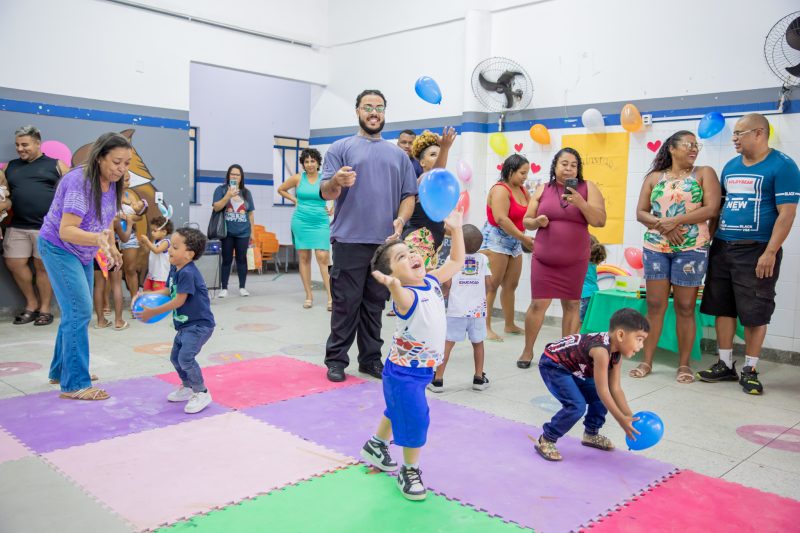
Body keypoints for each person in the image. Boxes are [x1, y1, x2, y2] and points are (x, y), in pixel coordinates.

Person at [359, 209, 464, 500]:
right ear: (393, 275)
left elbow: (456, 261)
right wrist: (394, 286)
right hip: (403, 373)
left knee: (398, 409)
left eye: (410, 251)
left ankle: (376, 445)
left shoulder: (431, 281)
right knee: (416, 418)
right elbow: (402, 297)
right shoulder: (406, 296)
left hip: (422, 369)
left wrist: (456, 230)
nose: (412, 256)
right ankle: (409, 470)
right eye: (401, 258)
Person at [698, 113, 800, 395]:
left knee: (755, 312)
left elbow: (787, 214)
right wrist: (709, 239)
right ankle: (725, 364)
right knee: (722, 308)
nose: (734, 138)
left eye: (739, 133)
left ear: (759, 133)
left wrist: (770, 251)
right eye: (733, 133)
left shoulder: (783, 166)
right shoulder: (730, 166)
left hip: (757, 249)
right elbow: (720, 208)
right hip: (722, 247)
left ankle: (750, 370)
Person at [320, 89, 418, 382]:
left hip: (384, 245)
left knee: (374, 306)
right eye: (367, 107)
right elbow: (326, 192)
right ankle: (336, 360)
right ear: (357, 111)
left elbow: (408, 196)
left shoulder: (398, 155)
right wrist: (337, 181)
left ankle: (370, 360)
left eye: (379, 107)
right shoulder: (340, 148)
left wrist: (401, 220)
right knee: (345, 304)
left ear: (384, 112)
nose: (374, 112)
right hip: (348, 240)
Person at [37, 132, 129, 401]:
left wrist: (112, 247)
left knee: (73, 311)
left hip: (83, 252)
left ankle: (61, 370)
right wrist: (98, 240)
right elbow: (66, 230)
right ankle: (75, 383)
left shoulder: (112, 182)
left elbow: (106, 220)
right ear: (100, 158)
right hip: (59, 247)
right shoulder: (79, 182)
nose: (121, 169)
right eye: (116, 162)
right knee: (79, 311)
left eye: (126, 164)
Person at [634, 131, 720, 383]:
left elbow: (711, 209)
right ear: (672, 148)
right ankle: (646, 360)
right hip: (656, 247)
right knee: (655, 306)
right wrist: (664, 227)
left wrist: (675, 221)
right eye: (688, 144)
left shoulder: (704, 173)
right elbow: (641, 213)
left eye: (696, 145)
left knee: (685, 307)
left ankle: (683, 364)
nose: (694, 149)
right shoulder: (654, 177)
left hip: (691, 248)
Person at [517, 148, 607, 368]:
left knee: (572, 305)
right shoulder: (543, 189)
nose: (568, 168)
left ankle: (565, 354)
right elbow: (527, 221)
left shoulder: (588, 188)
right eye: (564, 164)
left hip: (575, 260)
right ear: (555, 166)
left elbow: (600, 221)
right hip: (544, 259)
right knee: (538, 304)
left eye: (573, 165)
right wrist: (536, 222)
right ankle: (527, 351)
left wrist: (581, 203)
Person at [534, 308, 649, 462]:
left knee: (599, 398)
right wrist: (621, 419)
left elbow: (615, 388)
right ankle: (546, 439)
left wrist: (629, 417)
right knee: (577, 406)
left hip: (574, 368)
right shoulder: (601, 351)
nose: (641, 345)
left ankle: (591, 434)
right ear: (621, 335)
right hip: (553, 364)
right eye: (639, 339)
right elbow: (603, 391)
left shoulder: (616, 354)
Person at [134, 227, 216, 414]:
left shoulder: (188, 273)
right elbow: (168, 290)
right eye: (170, 245)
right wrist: (148, 294)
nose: (169, 250)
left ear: (189, 254)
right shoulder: (175, 268)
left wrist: (153, 312)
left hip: (199, 325)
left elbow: (179, 300)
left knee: (186, 358)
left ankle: (201, 392)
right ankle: (187, 387)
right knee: (175, 357)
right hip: (185, 325)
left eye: (175, 247)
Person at [2, 125, 69, 326]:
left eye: (25, 144)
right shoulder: (10, 167)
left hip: (47, 227)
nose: (20, 149)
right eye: (17, 145)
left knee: (43, 267)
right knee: (14, 263)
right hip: (18, 225)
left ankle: (45, 309)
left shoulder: (56, 165)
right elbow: (5, 194)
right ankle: (31, 304)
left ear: (38, 143)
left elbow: (72, 191)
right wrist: (5, 203)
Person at [428, 224, 491, 393]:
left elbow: (447, 283)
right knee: (478, 343)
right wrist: (480, 295)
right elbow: (489, 284)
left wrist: (444, 293)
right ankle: (479, 378)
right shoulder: (483, 259)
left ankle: (438, 380)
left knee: (448, 343)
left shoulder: (452, 259)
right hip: (477, 310)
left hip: (456, 310)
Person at [480, 154, 533, 342]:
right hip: (496, 238)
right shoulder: (500, 190)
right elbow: (501, 219)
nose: (525, 177)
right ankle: (484, 327)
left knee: (511, 285)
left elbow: (531, 213)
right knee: (491, 285)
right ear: (510, 171)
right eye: (522, 173)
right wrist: (523, 238)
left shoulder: (523, 190)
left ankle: (509, 324)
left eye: (527, 173)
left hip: (515, 239)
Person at [278, 148, 333, 310]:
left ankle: (331, 297)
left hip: (320, 221)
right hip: (301, 221)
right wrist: (294, 199)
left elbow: (338, 193)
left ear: (318, 163)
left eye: (312, 161)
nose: (309, 164)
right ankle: (309, 295)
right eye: (306, 161)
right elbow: (281, 189)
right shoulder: (297, 178)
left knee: (323, 256)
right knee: (304, 257)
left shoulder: (325, 178)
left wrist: (333, 207)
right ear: (303, 163)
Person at [402, 128, 457, 268]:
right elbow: (436, 171)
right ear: (422, 163)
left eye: (439, 154)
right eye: (433, 155)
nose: (438, 157)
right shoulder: (424, 179)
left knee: (425, 280)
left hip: (432, 240)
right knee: (416, 279)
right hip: (419, 238)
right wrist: (445, 148)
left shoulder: (441, 185)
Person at [212, 164, 255, 298]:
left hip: (243, 232)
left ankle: (242, 287)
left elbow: (250, 213)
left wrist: (252, 232)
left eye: (237, 174)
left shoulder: (246, 193)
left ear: (241, 177)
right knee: (226, 260)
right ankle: (224, 288)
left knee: (242, 260)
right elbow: (216, 207)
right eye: (232, 174)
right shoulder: (220, 189)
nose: (234, 177)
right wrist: (228, 196)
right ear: (228, 175)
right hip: (227, 232)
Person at [92, 212, 134, 330]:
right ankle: (119, 321)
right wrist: (129, 224)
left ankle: (100, 321)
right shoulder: (114, 219)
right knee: (116, 285)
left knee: (98, 286)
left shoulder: (93, 216)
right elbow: (125, 238)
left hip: (97, 251)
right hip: (113, 251)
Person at [119, 173, 148, 303]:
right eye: (126, 180)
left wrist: (128, 217)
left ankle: (134, 301)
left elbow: (139, 216)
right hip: (111, 235)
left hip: (129, 234)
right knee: (110, 271)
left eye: (129, 180)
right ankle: (106, 305)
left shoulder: (129, 195)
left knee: (130, 269)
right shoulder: (107, 194)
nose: (129, 183)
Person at [140, 215, 173, 292]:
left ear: (164, 232)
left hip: (161, 277)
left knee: (158, 296)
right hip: (151, 275)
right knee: (146, 293)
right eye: (152, 230)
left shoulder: (166, 242)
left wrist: (147, 241)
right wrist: (143, 244)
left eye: (155, 231)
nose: (152, 233)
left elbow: (157, 250)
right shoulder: (154, 242)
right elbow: (148, 251)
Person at [580, 236, 607, 324]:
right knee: (587, 319)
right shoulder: (594, 262)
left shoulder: (582, 261)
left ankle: (577, 332)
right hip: (594, 292)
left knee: (580, 320)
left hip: (584, 293)